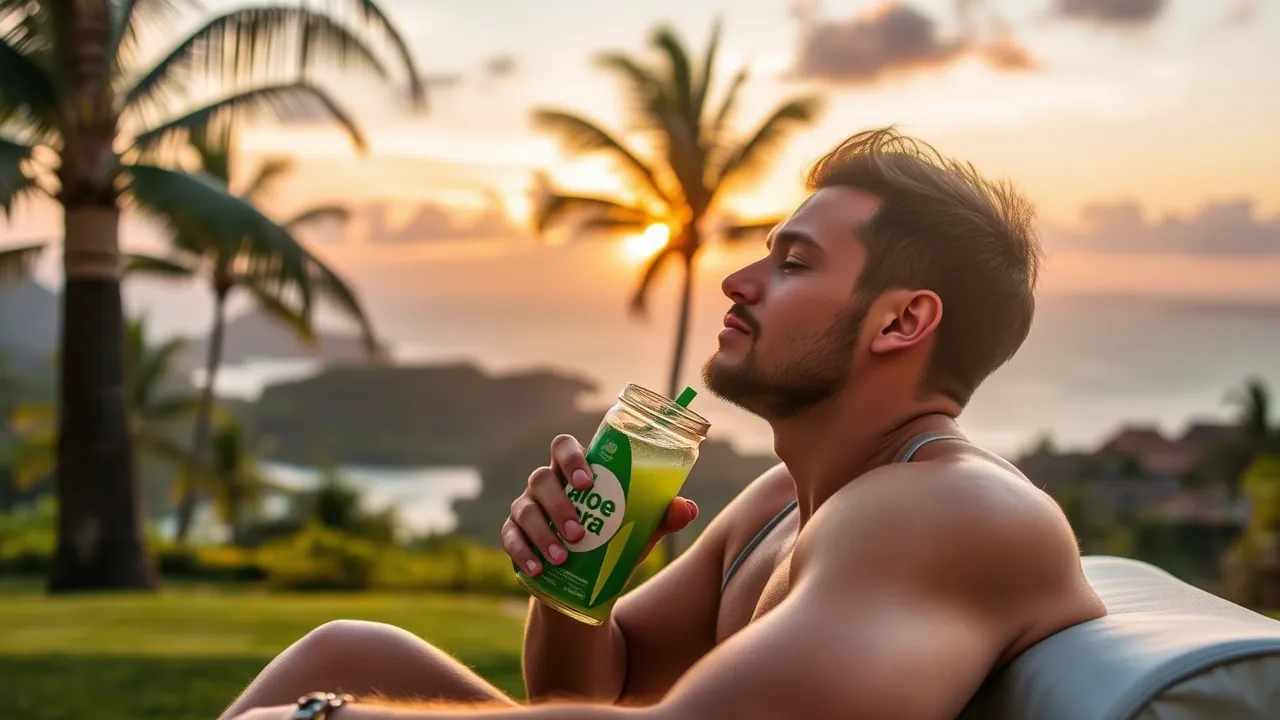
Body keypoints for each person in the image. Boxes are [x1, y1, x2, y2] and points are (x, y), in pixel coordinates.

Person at [223, 128, 1106, 720]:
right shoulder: (781, 504)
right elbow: (589, 688)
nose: (738, 282)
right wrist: (577, 588)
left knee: (335, 692)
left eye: (793, 264)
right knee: (350, 649)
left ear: (902, 323)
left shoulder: (948, 511)